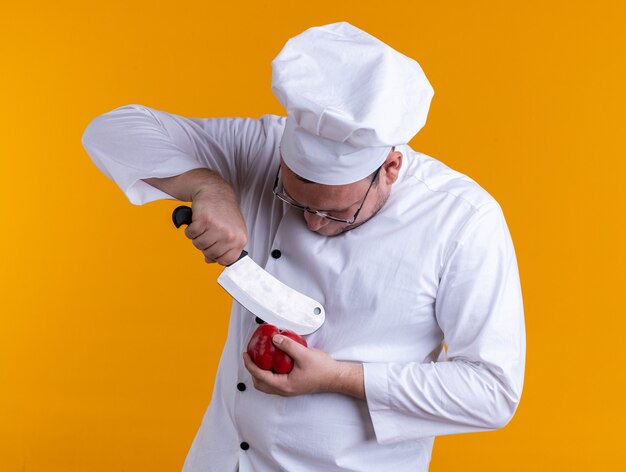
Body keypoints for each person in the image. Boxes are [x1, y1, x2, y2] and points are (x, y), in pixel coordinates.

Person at [82, 21, 525, 472]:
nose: (312, 222)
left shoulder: (463, 221)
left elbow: (493, 392)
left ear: (390, 167)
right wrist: (207, 186)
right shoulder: (260, 148)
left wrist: (341, 378)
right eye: (292, 200)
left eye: (336, 212)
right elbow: (113, 129)